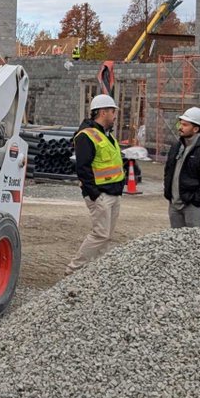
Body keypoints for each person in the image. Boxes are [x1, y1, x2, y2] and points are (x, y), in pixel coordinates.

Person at [66, 94, 126, 274]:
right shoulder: (86, 136)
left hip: (113, 193)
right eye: (113, 112)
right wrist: (94, 194)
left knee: (106, 237)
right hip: (100, 194)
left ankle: (98, 272)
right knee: (100, 234)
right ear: (103, 112)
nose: (115, 115)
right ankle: (74, 269)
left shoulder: (107, 135)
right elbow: (82, 168)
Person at [163, 107, 200, 228]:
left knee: (195, 242)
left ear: (196, 129)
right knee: (176, 241)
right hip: (174, 203)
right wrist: (168, 193)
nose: (180, 127)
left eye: (185, 125)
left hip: (193, 206)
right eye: (181, 124)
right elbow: (168, 171)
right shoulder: (177, 147)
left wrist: (197, 200)